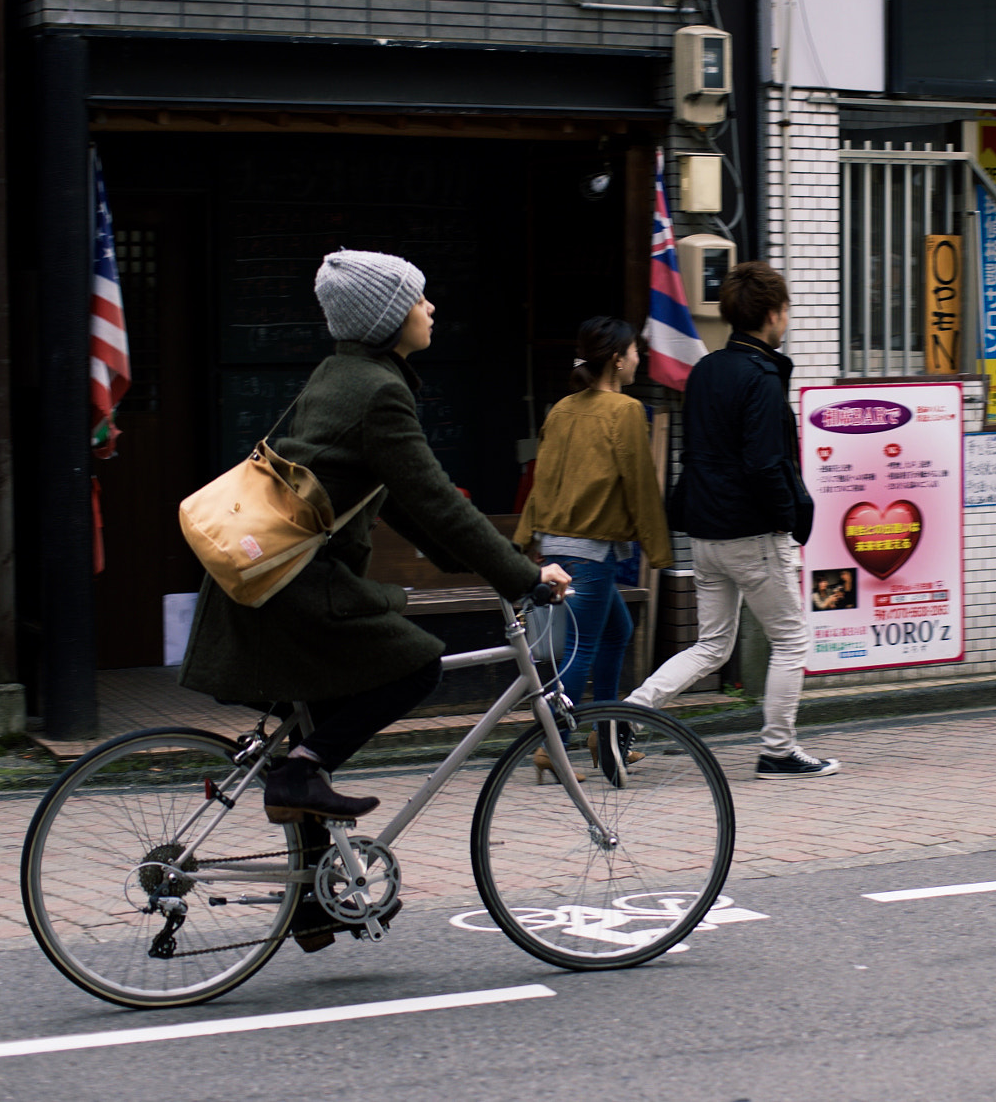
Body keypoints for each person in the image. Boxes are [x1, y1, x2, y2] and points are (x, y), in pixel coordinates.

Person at [180, 249, 571, 948]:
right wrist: (524, 577)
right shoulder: (379, 393)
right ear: (390, 318)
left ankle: (309, 900)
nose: (430, 309)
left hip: (268, 582)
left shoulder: (343, 375)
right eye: (419, 299)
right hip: (294, 589)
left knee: (319, 728)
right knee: (417, 661)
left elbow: (413, 507)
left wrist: (491, 567)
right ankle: (301, 774)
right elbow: (434, 505)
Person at [624, 261, 840, 778]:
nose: (786, 318)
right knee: (792, 640)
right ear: (773, 314)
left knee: (711, 645)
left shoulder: (706, 370)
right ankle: (778, 749)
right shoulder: (761, 378)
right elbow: (766, 463)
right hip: (752, 533)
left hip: (703, 532)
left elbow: (698, 450)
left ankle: (627, 714)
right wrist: (789, 519)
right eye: (785, 310)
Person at [513, 316, 674, 786]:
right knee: (582, 651)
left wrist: (526, 539)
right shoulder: (624, 411)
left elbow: (541, 482)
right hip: (591, 552)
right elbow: (641, 485)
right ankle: (553, 746)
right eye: (635, 353)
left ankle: (601, 737)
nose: (639, 359)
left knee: (614, 633)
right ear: (618, 360)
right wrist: (660, 550)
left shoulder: (561, 409)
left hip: (558, 547)